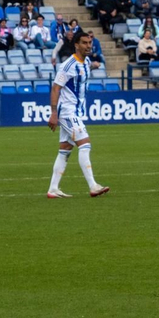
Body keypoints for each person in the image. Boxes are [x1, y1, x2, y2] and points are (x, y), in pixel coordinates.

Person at [46, 31, 109, 198]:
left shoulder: (85, 61)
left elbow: (82, 70)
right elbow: (55, 88)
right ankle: (93, 186)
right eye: (84, 43)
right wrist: (53, 113)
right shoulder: (67, 65)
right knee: (85, 144)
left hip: (76, 111)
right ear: (76, 45)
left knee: (64, 150)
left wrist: (93, 65)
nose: (88, 46)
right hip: (67, 111)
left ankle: (53, 189)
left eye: (89, 43)